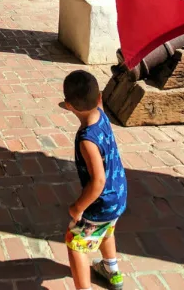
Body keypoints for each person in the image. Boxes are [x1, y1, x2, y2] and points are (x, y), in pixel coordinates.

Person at [62, 70, 127, 289]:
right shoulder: (102, 115)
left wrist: (78, 207)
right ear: (99, 98)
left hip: (101, 203)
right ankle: (112, 270)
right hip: (118, 194)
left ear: (69, 106)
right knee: (107, 230)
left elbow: (97, 182)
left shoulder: (87, 140)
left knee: (75, 243)